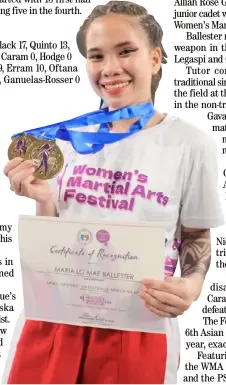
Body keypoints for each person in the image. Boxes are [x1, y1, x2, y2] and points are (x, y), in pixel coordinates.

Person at [3, 1, 224, 383]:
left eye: (126, 51)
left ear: (155, 58)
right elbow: (55, 236)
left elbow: (194, 235)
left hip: (139, 326)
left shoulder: (192, 145)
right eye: (96, 56)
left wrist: (191, 285)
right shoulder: (64, 142)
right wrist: (44, 200)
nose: (110, 68)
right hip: (53, 321)